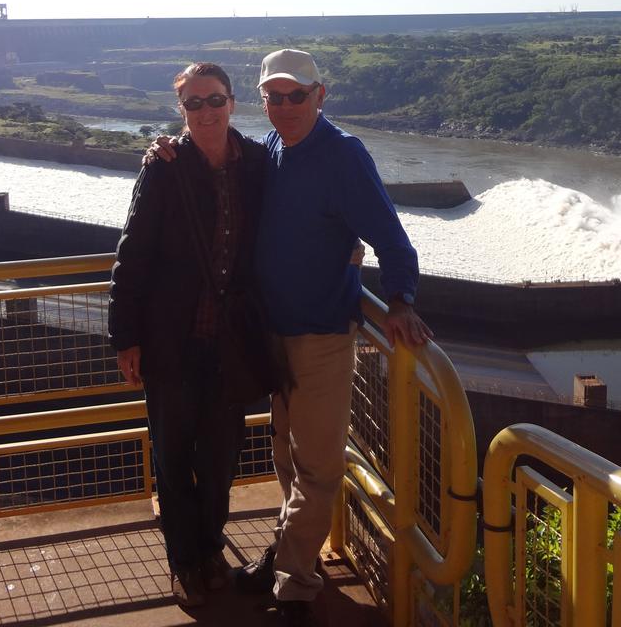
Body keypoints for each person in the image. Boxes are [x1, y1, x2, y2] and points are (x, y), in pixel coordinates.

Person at [147, 48, 430, 627]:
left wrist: (401, 299)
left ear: (319, 95)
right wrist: (164, 145)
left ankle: (295, 582)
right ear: (260, 102)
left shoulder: (344, 155)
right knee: (286, 455)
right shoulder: (271, 148)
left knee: (319, 466)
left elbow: (391, 238)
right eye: (273, 96)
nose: (285, 105)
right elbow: (214, 156)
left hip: (321, 334)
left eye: (296, 95)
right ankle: (287, 552)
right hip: (269, 334)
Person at [107, 62, 278, 608]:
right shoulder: (164, 167)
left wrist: (346, 246)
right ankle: (186, 560)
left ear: (233, 103)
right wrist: (125, 338)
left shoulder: (257, 161)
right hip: (170, 344)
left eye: (215, 100)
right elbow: (133, 255)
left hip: (229, 346)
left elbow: (298, 211)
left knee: (221, 460)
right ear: (181, 111)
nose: (206, 112)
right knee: (174, 458)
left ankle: (208, 548)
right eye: (194, 103)